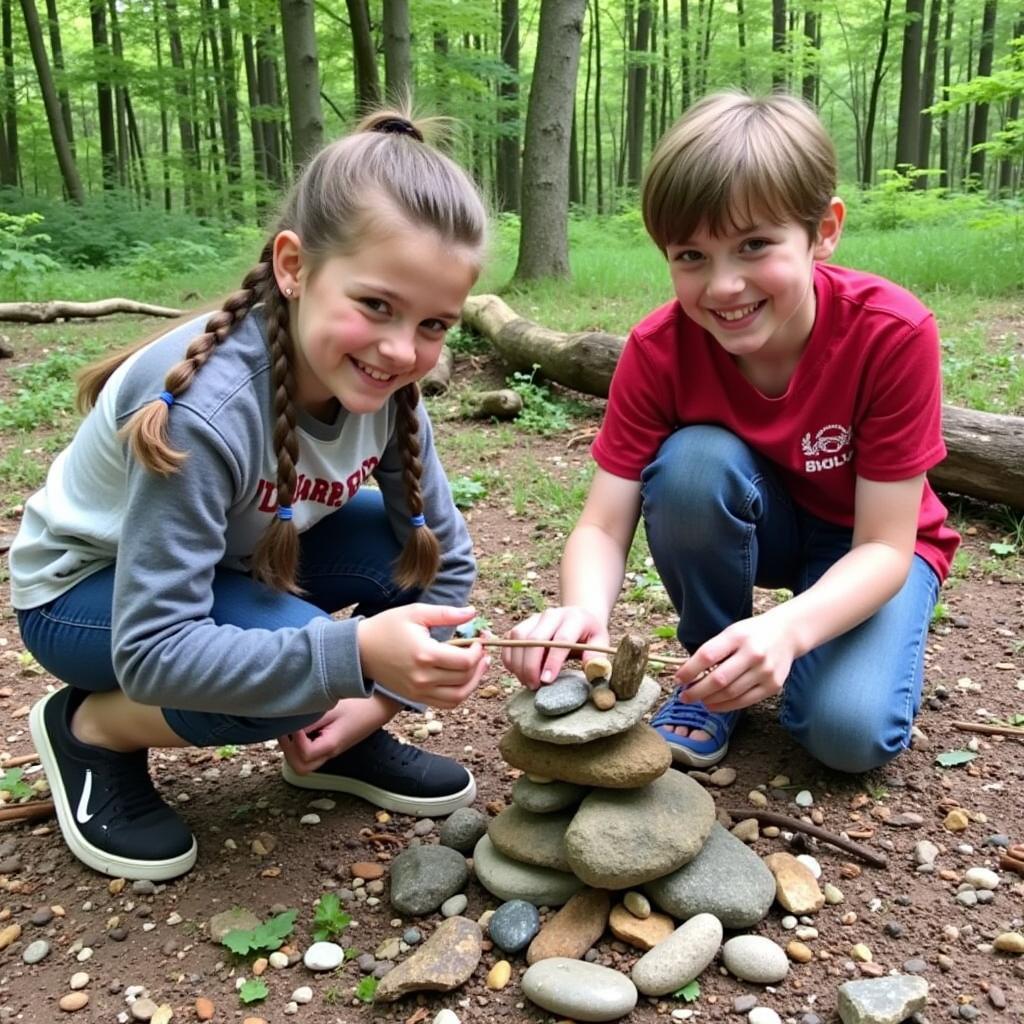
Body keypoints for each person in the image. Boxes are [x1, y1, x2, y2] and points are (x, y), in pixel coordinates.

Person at [9, 110, 491, 882]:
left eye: (433, 324)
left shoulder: (389, 386)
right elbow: (154, 648)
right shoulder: (207, 410)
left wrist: (371, 701)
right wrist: (355, 654)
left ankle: (338, 746)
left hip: (223, 562)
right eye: (375, 305)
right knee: (305, 670)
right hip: (86, 596)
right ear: (294, 267)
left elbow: (445, 568)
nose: (402, 349)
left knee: (399, 562)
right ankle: (93, 727)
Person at [502, 91, 959, 775]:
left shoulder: (890, 333)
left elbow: (886, 546)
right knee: (692, 464)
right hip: (754, 521)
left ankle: (780, 654)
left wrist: (789, 628)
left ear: (823, 230)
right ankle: (716, 671)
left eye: (754, 245)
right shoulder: (658, 349)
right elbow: (601, 526)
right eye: (691, 255)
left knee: (847, 734)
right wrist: (583, 614)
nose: (723, 285)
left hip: (864, 547)